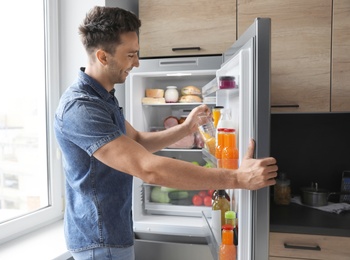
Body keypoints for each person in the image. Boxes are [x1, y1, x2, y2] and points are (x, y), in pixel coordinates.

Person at [54, 6, 278, 260]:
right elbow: (148, 167)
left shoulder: (103, 98)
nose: (137, 63)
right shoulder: (81, 108)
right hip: (100, 243)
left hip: (112, 235)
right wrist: (237, 179)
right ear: (103, 57)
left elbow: (137, 141)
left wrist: (186, 128)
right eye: (131, 55)